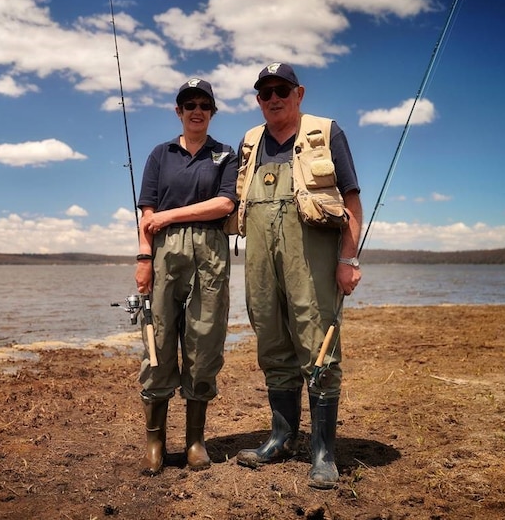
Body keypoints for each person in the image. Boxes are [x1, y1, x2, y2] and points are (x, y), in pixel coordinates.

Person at [234, 63, 363, 489]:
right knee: (271, 341)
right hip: (260, 262)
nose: (273, 98)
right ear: (258, 99)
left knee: (318, 343)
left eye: (282, 90)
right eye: (265, 92)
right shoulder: (250, 143)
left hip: (313, 262)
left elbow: (350, 200)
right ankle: (281, 437)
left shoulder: (326, 133)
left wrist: (349, 260)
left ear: (299, 93)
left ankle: (324, 452)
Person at [134, 78, 238, 476]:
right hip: (163, 253)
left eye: (204, 105)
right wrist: (144, 257)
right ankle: (155, 443)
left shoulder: (226, 154)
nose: (196, 110)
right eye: (188, 104)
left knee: (205, 340)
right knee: (157, 340)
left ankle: (195, 441)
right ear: (178, 111)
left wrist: (170, 215)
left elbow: (225, 203)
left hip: (210, 253)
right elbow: (147, 213)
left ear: (212, 112)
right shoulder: (160, 155)